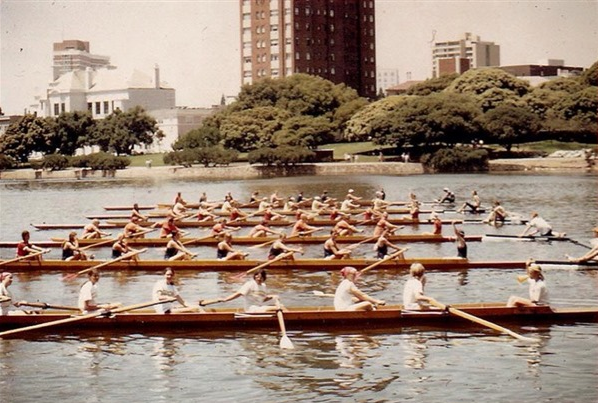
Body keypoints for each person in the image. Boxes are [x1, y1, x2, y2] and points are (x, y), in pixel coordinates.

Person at [214, 269, 282, 313]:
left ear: (264, 278)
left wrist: (273, 297)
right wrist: (226, 299)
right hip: (251, 309)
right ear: (255, 277)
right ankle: (283, 313)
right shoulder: (250, 284)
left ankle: (284, 313)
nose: (259, 279)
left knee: (278, 302)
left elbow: (263, 299)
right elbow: (239, 293)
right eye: (257, 277)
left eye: (261, 278)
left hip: (260, 307)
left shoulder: (263, 286)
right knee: (277, 308)